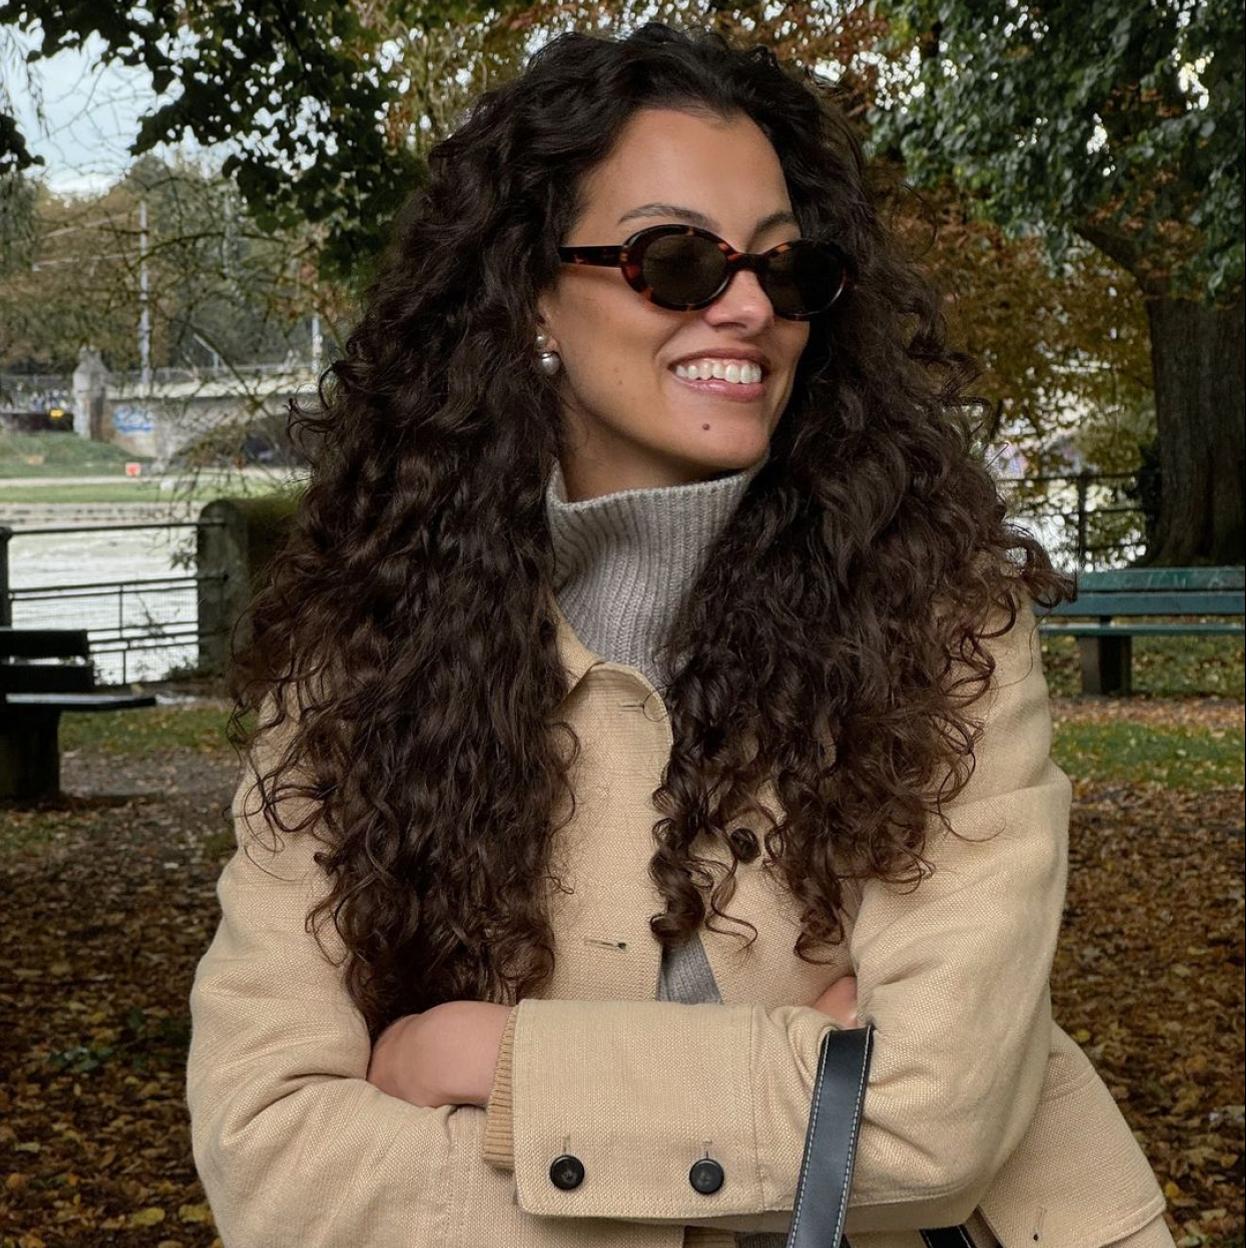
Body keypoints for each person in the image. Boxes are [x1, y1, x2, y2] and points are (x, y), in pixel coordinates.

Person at [185, 22, 1175, 1248]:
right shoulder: (359, 660)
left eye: (787, 268)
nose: (751, 306)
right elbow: (270, 1151)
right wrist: (781, 1104)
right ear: (531, 293)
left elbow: (930, 1127)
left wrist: (491, 1061)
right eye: (676, 261)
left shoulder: (937, 617)